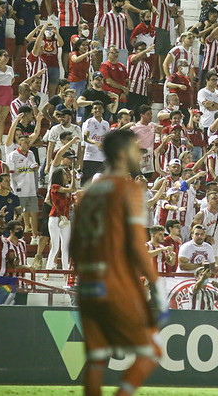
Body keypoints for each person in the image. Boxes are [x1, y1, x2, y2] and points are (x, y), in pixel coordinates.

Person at [71, 129, 167, 396]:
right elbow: (137, 245)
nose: (140, 154)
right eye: (137, 149)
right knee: (151, 350)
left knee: (97, 357)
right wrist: (156, 285)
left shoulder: (88, 193)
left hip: (88, 283)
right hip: (114, 281)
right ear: (124, 153)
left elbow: (73, 246)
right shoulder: (129, 189)